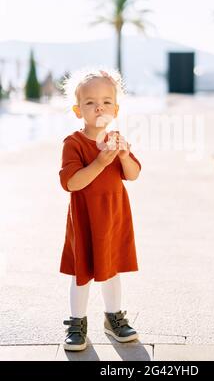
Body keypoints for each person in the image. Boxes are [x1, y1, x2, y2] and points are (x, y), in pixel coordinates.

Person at [58, 68, 141, 351]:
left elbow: (132, 175)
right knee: (82, 271)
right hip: (85, 219)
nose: (99, 107)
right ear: (78, 110)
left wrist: (125, 156)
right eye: (90, 102)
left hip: (114, 216)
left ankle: (114, 317)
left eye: (106, 101)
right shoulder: (74, 143)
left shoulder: (116, 140)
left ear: (115, 109)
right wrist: (100, 163)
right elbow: (71, 182)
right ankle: (77, 322)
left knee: (112, 268)